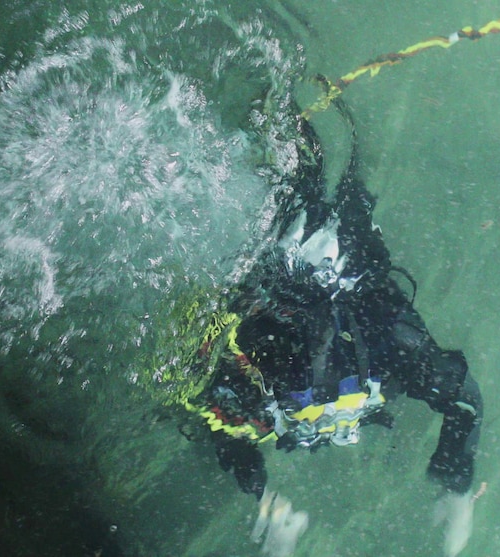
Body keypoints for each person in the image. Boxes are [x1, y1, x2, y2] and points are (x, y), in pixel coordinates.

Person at [186, 111, 483, 557]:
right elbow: (463, 399)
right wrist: (456, 486)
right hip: (324, 283)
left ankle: (287, 139)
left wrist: (262, 495)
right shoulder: (386, 352)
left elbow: (217, 418)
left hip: (312, 287)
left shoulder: (380, 351)